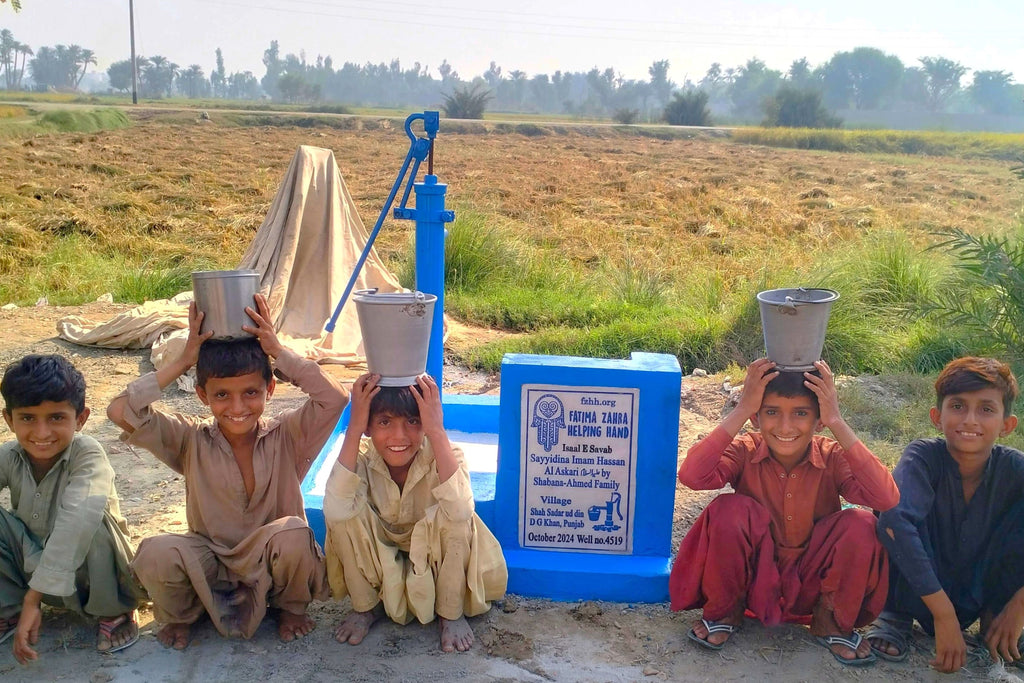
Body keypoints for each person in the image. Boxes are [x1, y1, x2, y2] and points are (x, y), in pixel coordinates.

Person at [107, 294, 347, 649]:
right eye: (222, 395)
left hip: (271, 556)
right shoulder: (189, 438)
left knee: (294, 533)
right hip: (210, 560)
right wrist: (183, 360)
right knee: (156, 552)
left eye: (251, 392)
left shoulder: (288, 434)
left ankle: (290, 608)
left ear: (270, 389)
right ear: (203, 396)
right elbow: (119, 411)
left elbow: (334, 399)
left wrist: (279, 352)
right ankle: (181, 615)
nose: (237, 408)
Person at [670, 358, 899, 667]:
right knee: (727, 509)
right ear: (756, 417)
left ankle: (828, 618)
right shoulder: (745, 449)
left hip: (811, 584)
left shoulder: (832, 456)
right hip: (753, 581)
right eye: (771, 412)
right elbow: (692, 476)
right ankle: (727, 609)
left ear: (819, 422)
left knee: (860, 522)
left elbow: (885, 497)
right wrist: (741, 409)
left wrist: (837, 421)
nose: (786, 426)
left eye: (801, 413)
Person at [323, 372, 507, 652]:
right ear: (368, 426)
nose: (399, 436)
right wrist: (354, 427)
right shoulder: (359, 456)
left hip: (437, 559)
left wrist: (436, 431)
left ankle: (450, 612)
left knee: (456, 518)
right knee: (343, 517)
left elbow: (460, 512)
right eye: (384, 422)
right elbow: (335, 511)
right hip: (382, 559)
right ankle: (365, 608)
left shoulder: (446, 454)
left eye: (413, 422)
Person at [868, 356, 1024, 673]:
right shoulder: (923, 456)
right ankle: (895, 615)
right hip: (917, 586)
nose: (970, 419)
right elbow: (894, 523)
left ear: (1007, 425)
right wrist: (944, 615)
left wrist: (1019, 606)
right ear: (937, 417)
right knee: (894, 513)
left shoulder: (1015, 468)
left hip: (982, 587)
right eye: (957, 406)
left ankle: (996, 620)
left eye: (986, 409)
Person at [0, 354, 143, 664]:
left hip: (92, 576)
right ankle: (8, 606)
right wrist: (29, 594)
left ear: (80, 418)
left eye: (56, 417)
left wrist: (34, 599)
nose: (41, 433)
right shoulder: (9, 455)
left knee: (92, 521)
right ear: (8, 419)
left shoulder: (87, 453)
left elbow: (78, 519)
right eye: (27, 418)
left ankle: (114, 610)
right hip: (34, 569)